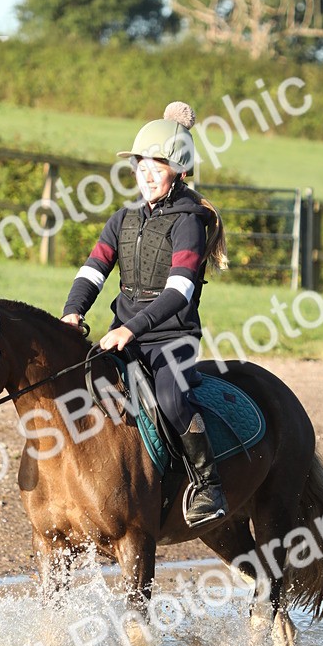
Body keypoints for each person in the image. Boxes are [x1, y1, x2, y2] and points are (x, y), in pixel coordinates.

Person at [61, 101, 228, 528]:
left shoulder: (189, 222)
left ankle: (209, 485)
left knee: (171, 399)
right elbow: (92, 270)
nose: (147, 174)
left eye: (158, 165)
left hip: (171, 338)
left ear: (179, 172)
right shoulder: (122, 219)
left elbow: (180, 290)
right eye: (141, 166)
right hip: (125, 335)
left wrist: (130, 330)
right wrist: (73, 312)